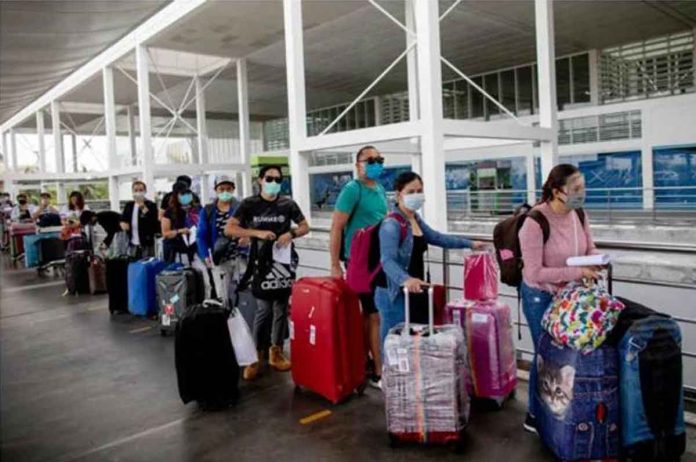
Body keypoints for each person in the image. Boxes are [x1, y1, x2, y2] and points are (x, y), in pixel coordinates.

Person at [518, 163, 600, 435]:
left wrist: (595, 262)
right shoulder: (534, 222)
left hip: (570, 295)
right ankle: (533, 413)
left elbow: (589, 246)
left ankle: (557, 413)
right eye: (576, 189)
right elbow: (534, 272)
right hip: (540, 296)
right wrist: (578, 271)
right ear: (556, 192)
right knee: (544, 354)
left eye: (583, 187)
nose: (581, 193)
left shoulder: (578, 213)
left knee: (565, 357)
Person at [375, 172, 485, 355]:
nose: (416, 195)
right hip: (395, 293)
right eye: (411, 191)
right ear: (398, 194)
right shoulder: (391, 224)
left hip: (417, 291)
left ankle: (414, 381)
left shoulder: (414, 219)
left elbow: (436, 237)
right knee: (395, 345)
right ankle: (391, 382)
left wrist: (470, 244)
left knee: (416, 342)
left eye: (419, 191)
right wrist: (406, 280)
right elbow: (387, 261)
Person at [226, 165, 309, 381]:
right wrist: (256, 233)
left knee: (281, 306)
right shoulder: (249, 204)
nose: (274, 182)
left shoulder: (287, 203)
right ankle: (255, 354)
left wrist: (291, 234)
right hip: (259, 263)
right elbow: (231, 229)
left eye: (278, 179)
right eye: (269, 178)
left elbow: (304, 226)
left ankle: (277, 350)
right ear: (260, 180)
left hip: (283, 263)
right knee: (263, 309)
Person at [329, 145, 389, 388]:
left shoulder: (381, 188)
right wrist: (334, 264)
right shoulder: (352, 190)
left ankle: (369, 361)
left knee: (372, 315)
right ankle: (378, 371)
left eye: (379, 159)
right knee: (374, 315)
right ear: (358, 164)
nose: (375, 163)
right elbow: (337, 227)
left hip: (379, 260)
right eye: (369, 159)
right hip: (360, 262)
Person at [197, 175, 241, 299]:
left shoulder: (241, 207)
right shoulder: (208, 210)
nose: (225, 192)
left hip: (240, 257)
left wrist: (246, 238)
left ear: (233, 189)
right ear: (216, 190)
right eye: (221, 189)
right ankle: (225, 317)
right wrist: (205, 255)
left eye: (228, 189)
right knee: (223, 295)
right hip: (219, 257)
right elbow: (201, 235)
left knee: (243, 294)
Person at [160, 181, 200, 264]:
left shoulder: (197, 209)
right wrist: (180, 231)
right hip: (175, 248)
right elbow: (165, 233)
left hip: (194, 246)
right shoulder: (169, 212)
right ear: (176, 196)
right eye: (182, 194)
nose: (186, 197)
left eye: (188, 194)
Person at [120, 181, 159, 258]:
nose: (138, 192)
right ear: (132, 192)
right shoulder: (129, 205)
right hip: (132, 243)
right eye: (136, 190)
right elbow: (123, 219)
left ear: (145, 191)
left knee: (146, 265)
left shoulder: (151, 205)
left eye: (141, 190)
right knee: (133, 265)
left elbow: (153, 220)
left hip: (147, 242)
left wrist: (142, 205)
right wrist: (123, 224)